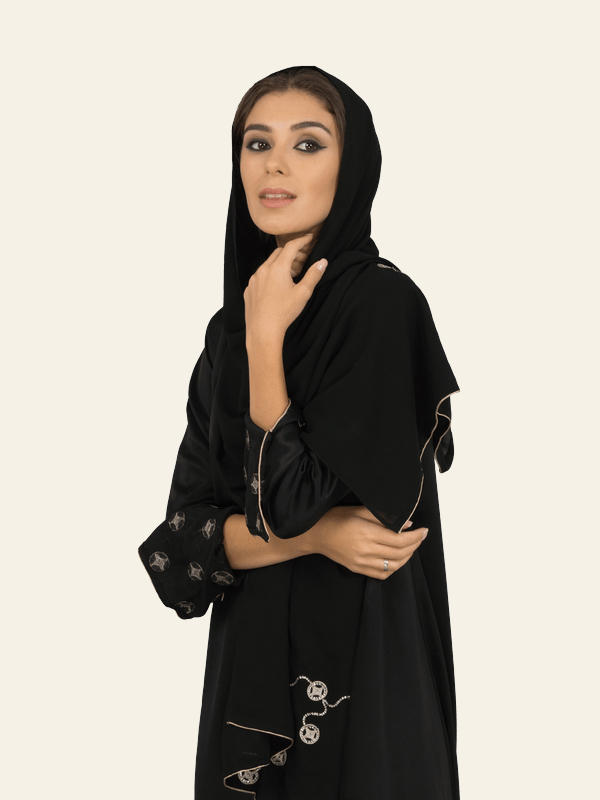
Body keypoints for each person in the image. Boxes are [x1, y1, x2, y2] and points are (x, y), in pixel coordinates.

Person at [138, 66, 461, 800]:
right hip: (247, 690)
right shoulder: (230, 333)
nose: (275, 164)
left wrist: (266, 344)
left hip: (362, 676)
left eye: (307, 143)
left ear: (354, 168)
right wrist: (320, 537)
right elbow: (177, 551)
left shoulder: (382, 307)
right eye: (257, 144)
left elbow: (283, 504)